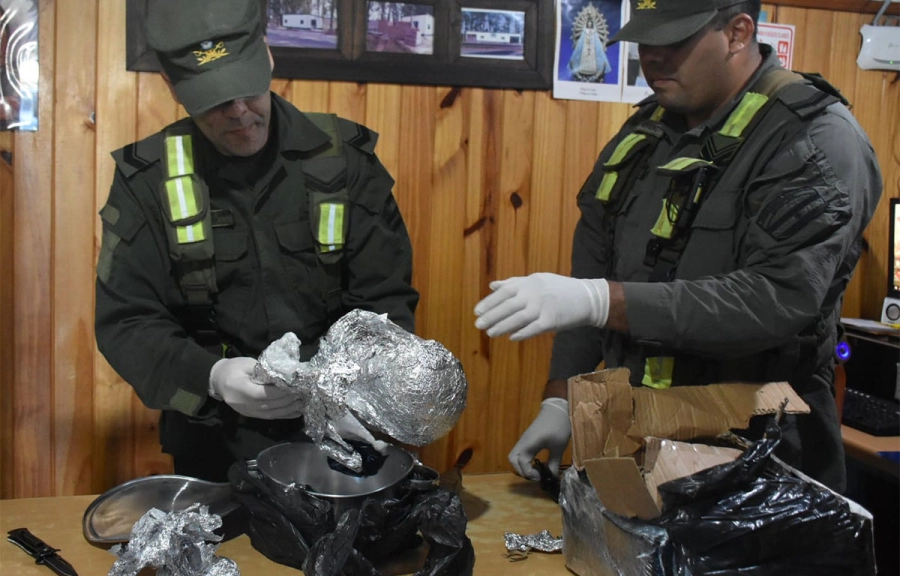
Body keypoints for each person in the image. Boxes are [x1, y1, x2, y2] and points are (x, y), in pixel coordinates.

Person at [474, 0, 881, 493]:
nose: (653, 58)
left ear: (737, 32)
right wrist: (561, 395)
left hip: (757, 453)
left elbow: (775, 299)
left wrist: (603, 301)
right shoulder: (649, 130)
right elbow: (592, 275)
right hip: (634, 438)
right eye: (646, 41)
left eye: (674, 41)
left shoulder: (812, 139)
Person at [95, 0, 418, 482]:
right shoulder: (148, 181)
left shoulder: (345, 163)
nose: (240, 112)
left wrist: (354, 393)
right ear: (173, 87)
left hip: (343, 430)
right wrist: (212, 378)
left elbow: (385, 303)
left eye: (246, 88)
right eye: (214, 100)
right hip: (213, 443)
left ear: (266, 56)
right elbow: (127, 321)